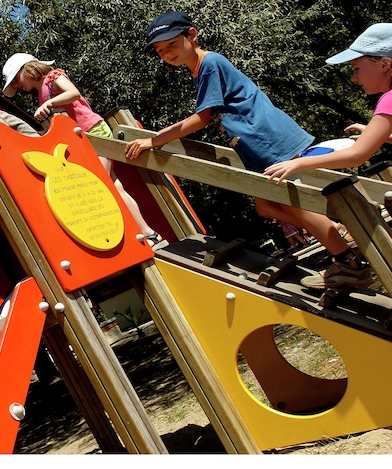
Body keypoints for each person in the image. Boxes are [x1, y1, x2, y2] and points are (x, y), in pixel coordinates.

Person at [125, 11, 371, 289]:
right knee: (265, 205)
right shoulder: (200, 69)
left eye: (171, 44)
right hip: (257, 143)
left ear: (192, 35)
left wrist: (153, 141)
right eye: (160, 50)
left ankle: (347, 262)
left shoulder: (209, 64)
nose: (167, 52)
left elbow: (201, 118)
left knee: (296, 205)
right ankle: (335, 231)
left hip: (266, 138)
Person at [264, 23, 392, 286]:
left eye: (357, 68)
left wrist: (299, 162)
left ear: (384, 64)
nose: (354, 77)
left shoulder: (388, 100)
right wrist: (376, 132)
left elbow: (356, 155)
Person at [1, 53, 166, 249]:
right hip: (81, 139)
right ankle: (149, 234)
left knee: (101, 185)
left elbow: (73, 93)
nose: (16, 86)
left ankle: (143, 234)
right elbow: (60, 124)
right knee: (113, 185)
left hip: (93, 133)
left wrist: (49, 103)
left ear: (26, 68)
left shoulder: (53, 78)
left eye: (15, 79)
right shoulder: (41, 95)